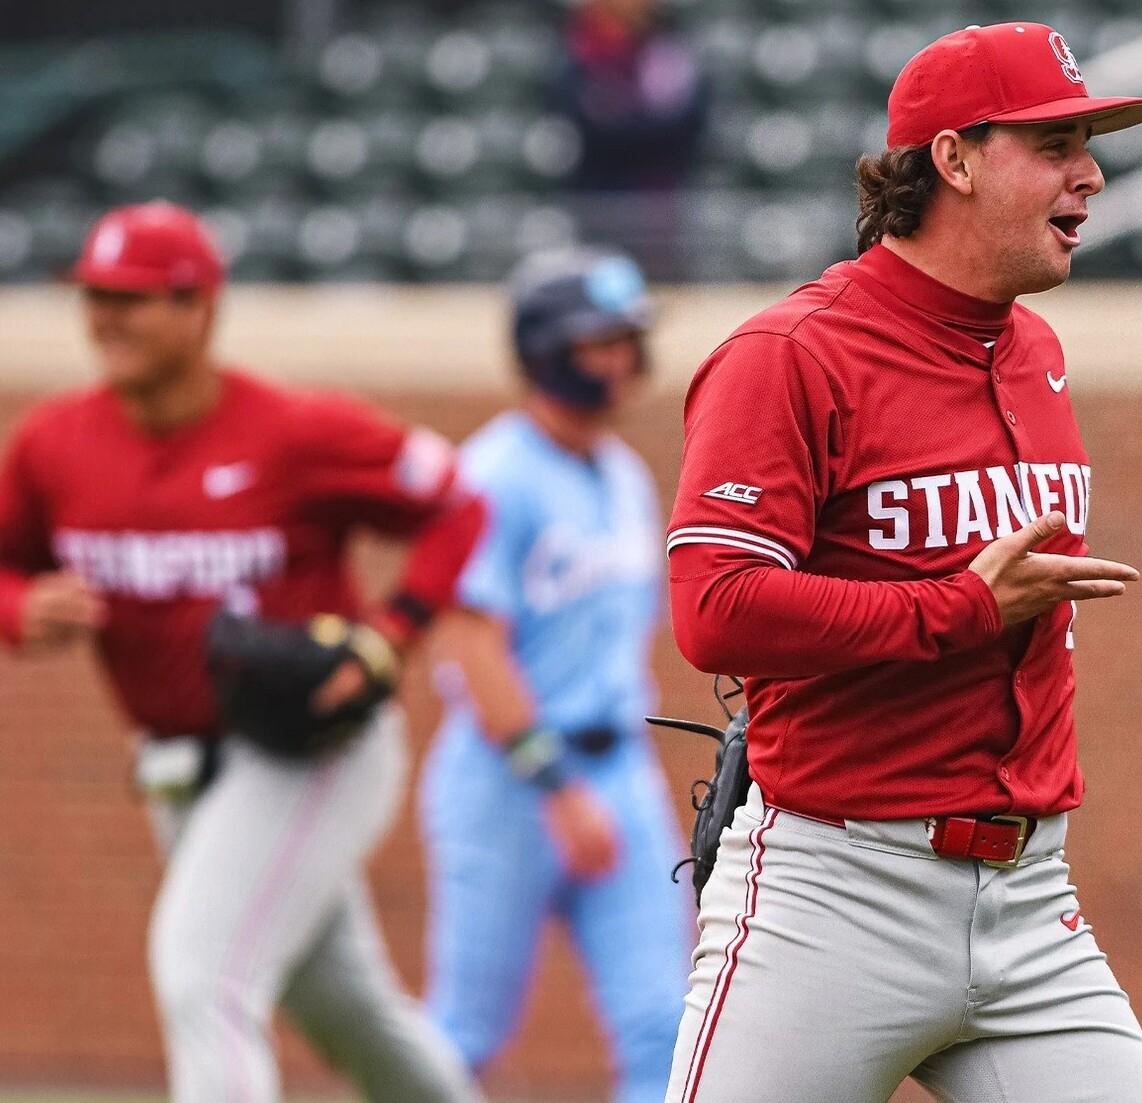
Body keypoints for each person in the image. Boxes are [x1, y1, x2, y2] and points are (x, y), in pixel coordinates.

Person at [658, 22, 1142, 1103]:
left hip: (1030, 894)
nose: (1090, 172)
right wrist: (955, 609)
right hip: (837, 893)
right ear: (953, 157)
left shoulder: (1033, 347)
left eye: (1087, 142)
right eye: (1055, 142)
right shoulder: (790, 354)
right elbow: (713, 608)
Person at [0, 201, 484, 1103]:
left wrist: (393, 631)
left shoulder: (293, 431)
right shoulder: (55, 443)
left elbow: (459, 502)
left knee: (204, 974)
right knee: (346, 1009)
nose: (104, 317)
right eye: (94, 295)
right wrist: (21, 604)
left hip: (310, 746)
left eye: (132, 297)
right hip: (178, 766)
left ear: (200, 307)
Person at [419, 247, 692, 1102]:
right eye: (593, 342)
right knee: (462, 1034)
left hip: (618, 769)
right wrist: (555, 785)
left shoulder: (621, 472)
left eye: (625, 340)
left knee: (666, 1024)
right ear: (544, 350)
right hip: (510, 777)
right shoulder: (493, 473)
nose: (616, 360)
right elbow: (467, 644)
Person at [556, 0, 710, 281]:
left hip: (664, 202)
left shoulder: (666, 49)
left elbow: (691, 121)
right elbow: (592, 129)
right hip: (600, 203)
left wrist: (623, 119)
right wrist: (648, 127)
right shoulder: (580, 51)